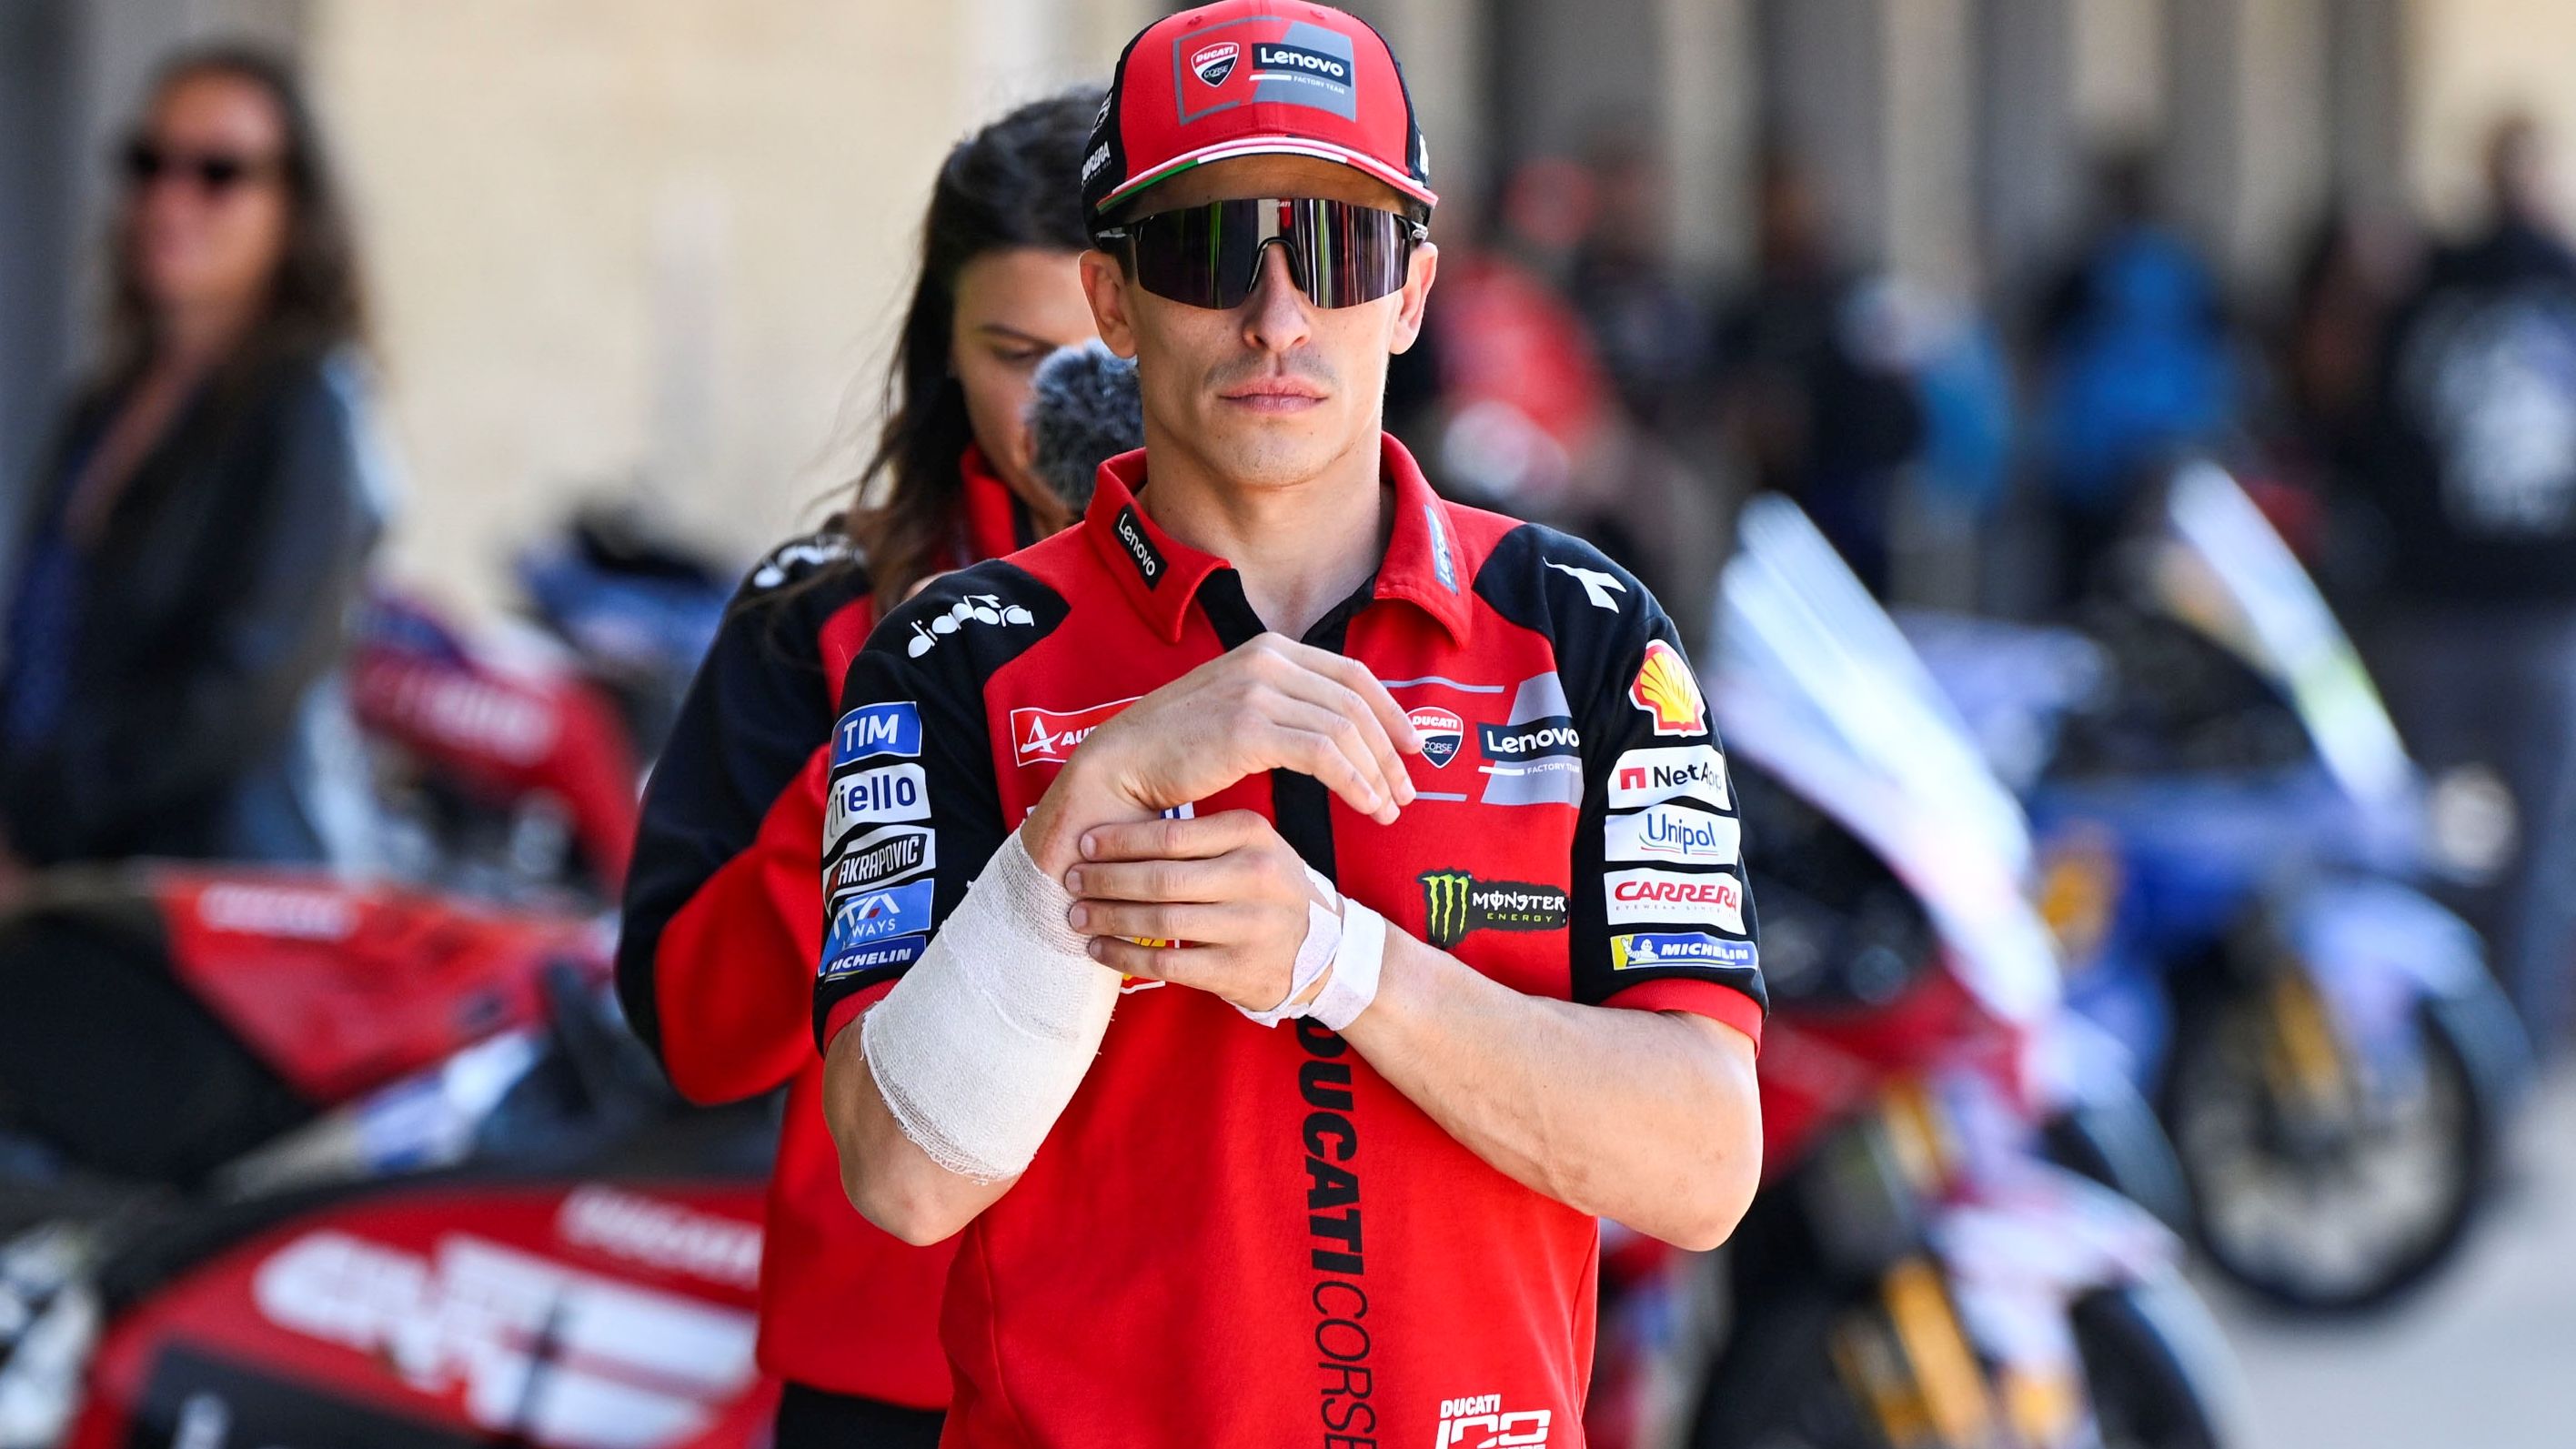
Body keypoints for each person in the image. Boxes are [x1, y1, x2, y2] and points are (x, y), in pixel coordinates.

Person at [815, 5, 1766, 1444]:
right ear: (1115, 299)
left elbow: (1702, 1163)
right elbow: (901, 1178)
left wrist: (1341, 960)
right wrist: (1102, 791)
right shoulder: (954, 660)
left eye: (1335, 249)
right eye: (1210, 251)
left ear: (1412, 292)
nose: (1277, 317)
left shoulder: (1586, 634)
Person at [614, 91, 1102, 1449]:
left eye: (1106, 352)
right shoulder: (819, 618)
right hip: (897, 1368)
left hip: (1208, 1352)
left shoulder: (1303, 607)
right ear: (944, 354)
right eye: (1018, 352)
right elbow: (695, 1040)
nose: (1066, 402)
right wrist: (888, 758)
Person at [0, 44, 387, 871]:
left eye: (218, 171)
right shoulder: (102, 406)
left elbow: (240, 690)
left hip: (211, 904)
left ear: (295, 207)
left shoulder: (306, 411)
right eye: (149, 163)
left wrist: (34, 821)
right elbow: (47, 651)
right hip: (74, 884)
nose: (172, 199)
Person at [2360, 114, 2576, 1049]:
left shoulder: (2430, 295)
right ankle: (2509, 1048)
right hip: (2538, 609)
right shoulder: (2565, 286)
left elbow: (2375, 442)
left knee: (2421, 837)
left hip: (2438, 607)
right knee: (2538, 847)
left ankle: (2423, 1039)